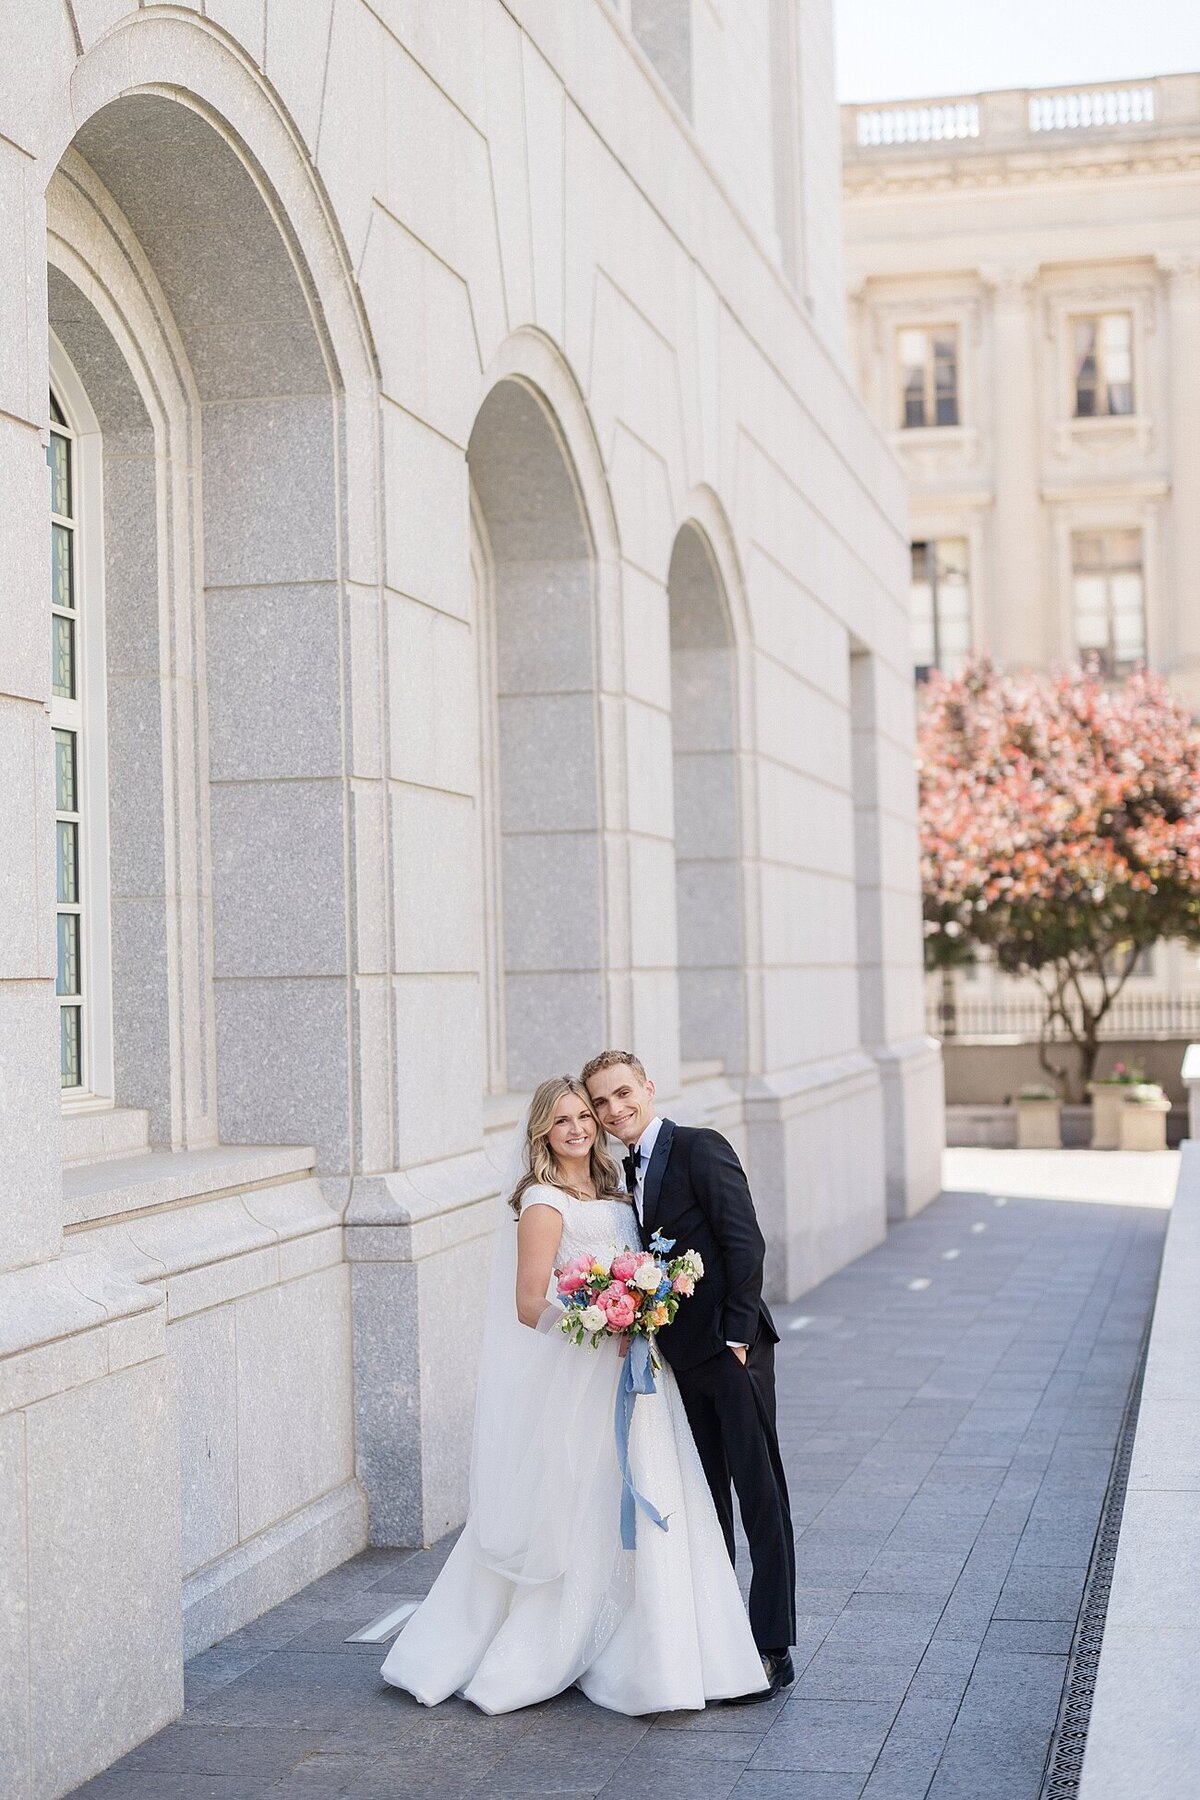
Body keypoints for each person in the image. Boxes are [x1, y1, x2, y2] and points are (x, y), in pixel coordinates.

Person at [380, 1075, 766, 1715]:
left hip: (639, 1374)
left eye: (585, 1116)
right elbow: (530, 1303)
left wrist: (643, 1308)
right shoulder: (542, 1200)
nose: (579, 1128)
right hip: (585, 1374)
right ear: (543, 1132)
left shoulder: (615, 1192)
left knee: (654, 1495)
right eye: (562, 1121)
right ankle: (562, 1642)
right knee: (582, 1499)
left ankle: (662, 1646)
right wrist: (602, 1319)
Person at [583, 1050, 797, 1700]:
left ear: (647, 1088)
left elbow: (745, 1242)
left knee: (761, 1497)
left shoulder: (700, 1147)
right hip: (681, 1365)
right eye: (601, 1102)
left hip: (731, 1356)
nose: (615, 1109)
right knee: (708, 1501)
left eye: (623, 1094)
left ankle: (770, 1646)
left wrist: (736, 1339)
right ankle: (720, 1636)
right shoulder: (628, 1170)